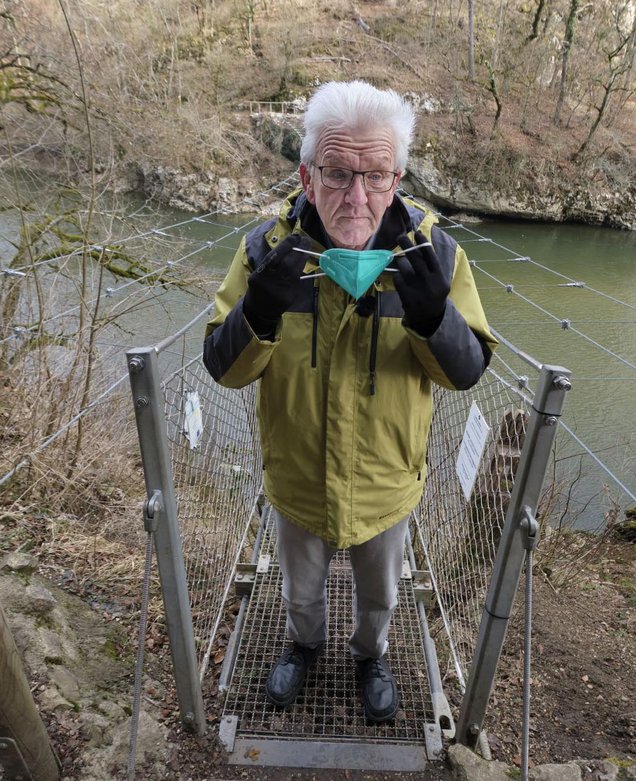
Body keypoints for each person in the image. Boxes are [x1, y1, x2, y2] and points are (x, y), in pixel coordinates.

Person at [203, 80, 495, 723]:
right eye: (337, 173)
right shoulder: (263, 251)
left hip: (387, 477)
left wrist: (433, 317)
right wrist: (259, 310)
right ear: (307, 177)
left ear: (397, 179)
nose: (356, 196)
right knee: (301, 588)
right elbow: (224, 370)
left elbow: (467, 372)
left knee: (381, 593)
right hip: (298, 475)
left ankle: (371, 655)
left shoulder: (437, 255)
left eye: (375, 175)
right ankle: (303, 645)